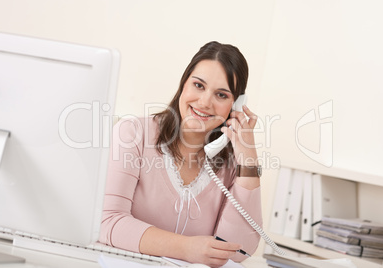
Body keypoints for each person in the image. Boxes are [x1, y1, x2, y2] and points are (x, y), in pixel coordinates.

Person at [99, 41, 262, 267]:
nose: (204, 102)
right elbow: (107, 221)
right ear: (184, 83)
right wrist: (186, 248)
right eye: (198, 85)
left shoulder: (234, 165)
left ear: (236, 105)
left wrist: (248, 159)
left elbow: (237, 251)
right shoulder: (133, 134)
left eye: (222, 95)